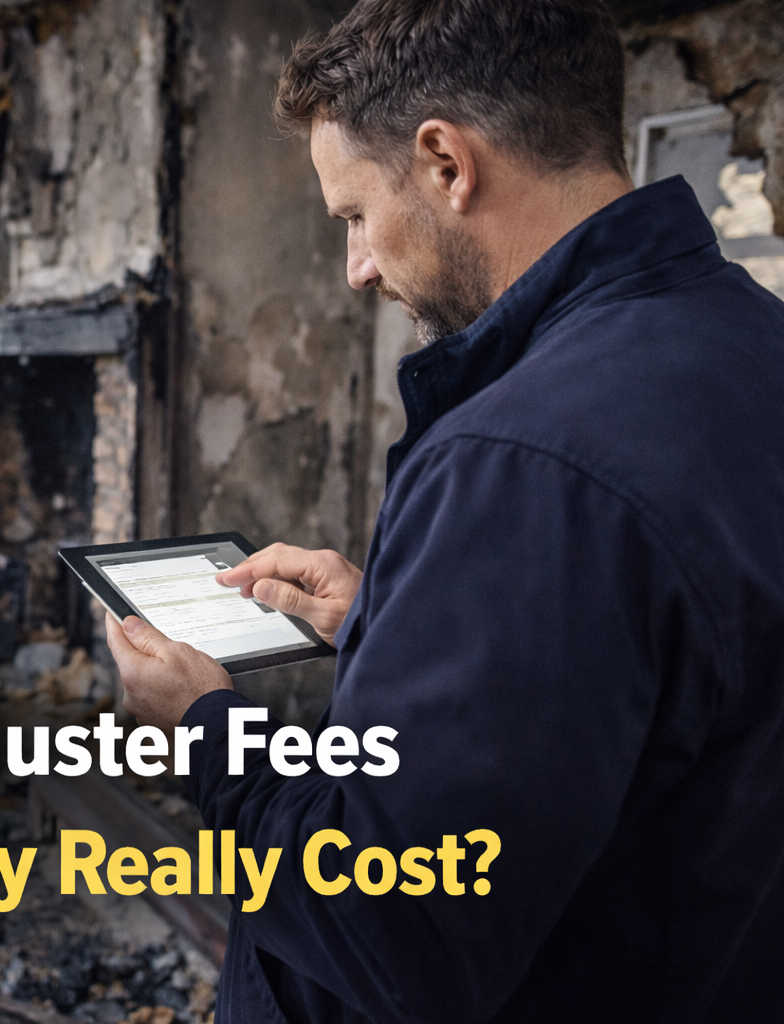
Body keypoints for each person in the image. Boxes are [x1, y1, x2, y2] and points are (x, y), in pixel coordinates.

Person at [104, 0, 784, 1020]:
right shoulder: (751, 342)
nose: (358, 267)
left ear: (444, 164)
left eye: (352, 217)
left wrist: (206, 730)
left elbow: (399, 926)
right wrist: (395, 617)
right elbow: (649, 677)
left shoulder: (521, 460)